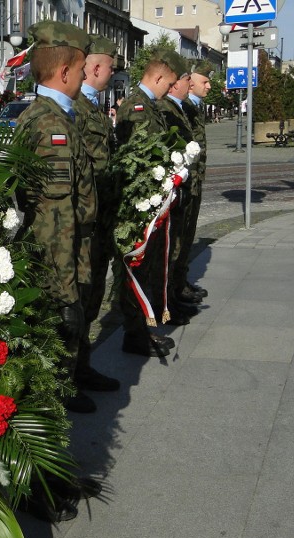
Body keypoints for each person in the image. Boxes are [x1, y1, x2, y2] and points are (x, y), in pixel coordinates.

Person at [15, 20, 98, 414]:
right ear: (65, 72)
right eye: (82, 69)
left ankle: (66, 389)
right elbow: (55, 216)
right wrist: (66, 291)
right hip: (58, 260)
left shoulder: (52, 116)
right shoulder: (52, 126)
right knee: (62, 329)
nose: (85, 76)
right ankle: (56, 410)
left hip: (63, 254)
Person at [114, 49, 183, 357]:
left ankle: (143, 329)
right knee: (134, 268)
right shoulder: (137, 107)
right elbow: (140, 155)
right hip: (137, 204)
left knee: (147, 267)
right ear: (156, 77)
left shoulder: (150, 106)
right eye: (168, 85)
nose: (169, 91)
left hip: (151, 202)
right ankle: (135, 333)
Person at [72, 33, 122, 396]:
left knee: (92, 297)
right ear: (96, 67)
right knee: (79, 298)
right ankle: (70, 375)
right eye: (111, 67)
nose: (113, 74)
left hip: (100, 218)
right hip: (82, 222)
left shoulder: (95, 107)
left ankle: (82, 366)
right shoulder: (73, 108)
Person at [155, 56, 197, 327]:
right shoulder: (159, 108)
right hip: (163, 193)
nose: (190, 84)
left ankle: (170, 299)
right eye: (185, 79)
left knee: (176, 248)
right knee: (165, 254)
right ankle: (160, 307)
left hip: (179, 188)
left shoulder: (177, 108)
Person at [175, 59, 214, 309]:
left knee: (186, 237)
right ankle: (176, 287)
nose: (208, 86)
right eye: (204, 81)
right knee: (178, 239)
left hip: (194, 181)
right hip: (186, 182)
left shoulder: (194, 107)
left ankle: (180, 283)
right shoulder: (185, 107)